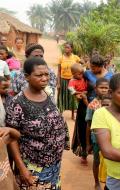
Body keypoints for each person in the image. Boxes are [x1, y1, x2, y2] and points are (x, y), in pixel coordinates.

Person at [6, 57, 69, 190]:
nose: (45, 78)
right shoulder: (18, 103)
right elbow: (12, 139)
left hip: (53, 165)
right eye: (39, 75)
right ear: (27, 77)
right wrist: (22, 169)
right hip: (32, 167)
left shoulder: (47, 94)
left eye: (46, 74)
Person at [85, 78, 109, 190]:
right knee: (96, 161)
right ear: (96, 89)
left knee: (109, 161)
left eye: (106, 88)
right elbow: (88, 125)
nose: (104, 90)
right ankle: (96, 182)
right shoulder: (92, 105)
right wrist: (88, 143)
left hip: (110, 138)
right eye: (101, 87)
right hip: (96, 139)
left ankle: (108, 182)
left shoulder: (112, 102)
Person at [57, 42, 80, 119]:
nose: (66, 49)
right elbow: (58, 71)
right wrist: (58, 83)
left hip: (72, 81)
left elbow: (82, 64)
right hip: (63, 80)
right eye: (65, 47)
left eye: (68, 47)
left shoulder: (75, 58)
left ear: (71, 49)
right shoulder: (61, 58)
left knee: (72, 97)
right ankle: (60, 114)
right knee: (62, 96)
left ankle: (73, 115)